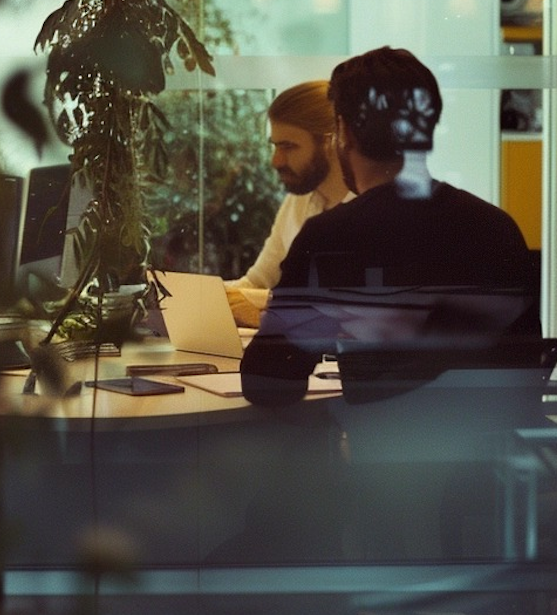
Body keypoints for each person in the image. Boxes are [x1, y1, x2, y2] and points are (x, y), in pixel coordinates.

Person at [242, 46, 540, 406]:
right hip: (494, 454)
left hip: (380, 455)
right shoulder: (496, 227)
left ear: (344, 131)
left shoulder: (331, 236)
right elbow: (521, 369)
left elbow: (266, 384)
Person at [224, 81, 352, 327]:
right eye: (274, 146)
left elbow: (338, 311)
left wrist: (259, 309)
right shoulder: (298, 200)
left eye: (289, 147)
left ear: (330, 142)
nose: (276, 161)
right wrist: (206, 297)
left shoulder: (373, 208)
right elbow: (256, 283)